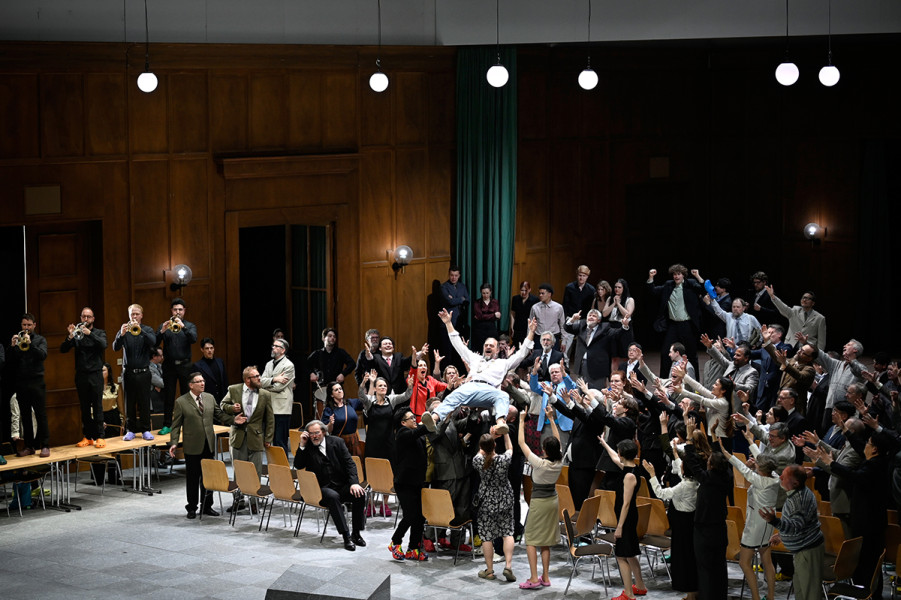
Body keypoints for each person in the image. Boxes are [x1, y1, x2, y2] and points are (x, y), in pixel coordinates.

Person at [421, 309, 536, 436]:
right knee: (454, 395)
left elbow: (521, 354)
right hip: (471, 387)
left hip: (489, 391)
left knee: (502, 396)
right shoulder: (475, 358)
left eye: (491, 346)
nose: (488, 347)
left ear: (497, 350)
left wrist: (531, 332)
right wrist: (448, 323)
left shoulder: (503, 363)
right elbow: (458, 345)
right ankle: (433, 419)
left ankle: (500, 423)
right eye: (486, 345)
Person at [168, 372, 242, 519]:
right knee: (193, 478)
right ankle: (191, 507)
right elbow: (175, 426)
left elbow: (219, 415)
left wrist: (234, 420)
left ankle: (207, 506)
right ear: (191, 385)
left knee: (208, 477)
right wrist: (174, 443)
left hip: (208, 444)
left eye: (203, 381)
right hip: (192, 446)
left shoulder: (209, 398)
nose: (202, 383)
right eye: (198, 381)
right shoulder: (181, 402)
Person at [719, 438, 780, 600]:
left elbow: (742, 468)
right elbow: (761, 458)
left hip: (755, 525)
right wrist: (749, 441)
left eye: (758, 464)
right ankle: (771, 597)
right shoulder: (775, 476)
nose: (755, 462)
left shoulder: (760, 481)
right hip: (768, 523)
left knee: (744, 562)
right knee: (767, 560)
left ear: (762, 468)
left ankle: (755, 597)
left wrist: (726, 453)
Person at [293, 419, 367, 551]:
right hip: (320, 489)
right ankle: (346, 536)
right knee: (333, 496)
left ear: (323, 432)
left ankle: (356, 533)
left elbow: (350, 464)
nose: (314, 436)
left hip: (340, 485)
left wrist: (354, 484)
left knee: (359, 493)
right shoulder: (307, 446)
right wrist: (302, 445)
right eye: (311, 434)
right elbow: (298, 465)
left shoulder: (337, 442)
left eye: (317, 433)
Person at [683, 417, 733, 600]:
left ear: (710, 465)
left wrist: (689, 437)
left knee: (704, 568)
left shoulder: (707, 478)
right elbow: (719, 456)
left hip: (704, 529)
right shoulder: (727, 476)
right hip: (719, 527)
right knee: (719, 566)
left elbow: (691, 461)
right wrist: (712, 434)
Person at [759, 465, 824, 600]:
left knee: (810, 594)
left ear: (795, 483)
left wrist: (774, 521)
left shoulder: (798, 500)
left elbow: (796, 526)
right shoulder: (797, 494)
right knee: (800, 592)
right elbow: (799, 523)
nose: (780, 477)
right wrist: (782, 535)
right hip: (803, 551)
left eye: (785, 476)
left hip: (807, 551)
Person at [517, 407, 563, 589]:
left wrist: (521, 421)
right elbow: (558, 441)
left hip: (539, 503)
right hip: (553, 501)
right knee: (546, 542)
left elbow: (522, 443)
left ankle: (534, 578)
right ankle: (545, 577)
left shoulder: (540, 463)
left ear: (544, 450)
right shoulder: (559, 462)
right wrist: (551, 419)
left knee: (531, 539)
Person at [644, 453, 699, 600]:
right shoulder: (696, 481)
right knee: (691, 556)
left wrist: (652, 475)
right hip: (691, 522)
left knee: (684, 558)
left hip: (682, 525)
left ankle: (691, 594)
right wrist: (675, 453)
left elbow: (660, 493)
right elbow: (681, 471)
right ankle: (693, 592)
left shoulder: (684, 486)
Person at [598, 437, 647, 600]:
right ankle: (640, 586)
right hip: (627, 517)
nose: (617, 454)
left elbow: (626, 504)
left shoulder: (629, 476)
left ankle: (629, 594)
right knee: (630, 554)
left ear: (622, 454)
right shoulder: (631, 468)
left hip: (626, 519)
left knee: (621, 556)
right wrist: (604, 443)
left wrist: (619, 526)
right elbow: (614, 457)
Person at [359, 370, 412, 517]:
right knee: (372, 472)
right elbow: (361, 396)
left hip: (388, 443)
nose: (383, 388)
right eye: (380, 386)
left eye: (385, 386)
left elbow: (406, 396)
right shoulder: (370, 401)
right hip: (373, 443)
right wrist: (364, 383)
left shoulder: (391, 400)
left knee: (388, 472)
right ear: (375, 388)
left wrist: (410, 387)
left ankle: (385, 504)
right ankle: (370, 504)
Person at [60, 306, 107, 449]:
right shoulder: (77, 333)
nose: (86, 319)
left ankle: (100, 436)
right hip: (81, 375)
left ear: (93, 319)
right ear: (81, 318)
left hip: (95, 374)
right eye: (83, 316)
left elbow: (103, 345)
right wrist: (70, 336)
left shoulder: (99, 333)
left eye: (88, 317)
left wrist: (90, 334)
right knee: (84, 407)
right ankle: (88, 436)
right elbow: (63, 349)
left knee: (97, 406)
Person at [472, 431, 516, 582]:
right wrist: (505, 433)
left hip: (486, 501)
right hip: (505, 498)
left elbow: (481, 452)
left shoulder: (477, 461)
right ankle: (508, 566)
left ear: (481, 447)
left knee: (486, 536)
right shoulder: (504, 460)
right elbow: (510, 448)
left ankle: (489, 571)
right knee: (507, 532)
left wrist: (488, 440)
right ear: (495, 445)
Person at [647, 265, 705, 377]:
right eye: (674, 274)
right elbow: (653, 291)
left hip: (687, 325)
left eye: (679, 274)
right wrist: (651, 277)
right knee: (666, 353)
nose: (676, 276)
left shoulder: (690, 284)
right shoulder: (669, 285)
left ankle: (695, 383)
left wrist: (697, 276)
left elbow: (702, 288)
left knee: (691, 354)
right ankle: (664, 382)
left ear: (683, 275)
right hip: (673, 325)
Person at [388, 409, 430, 561]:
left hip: (417, 481)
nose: (414, 419)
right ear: (403, 423)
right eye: (411, 418)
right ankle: (395, 541)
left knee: (419, 517)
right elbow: (419, 431)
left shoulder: (416, 435)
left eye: (414, 417)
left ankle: (413, 548)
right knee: (410, 515)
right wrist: (431, 420)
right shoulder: (402, 434)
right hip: (404, 483)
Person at [112, 303, 157, 442]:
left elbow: (153, 342)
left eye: (137, 314)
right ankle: (130, 430)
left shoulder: (147, 329)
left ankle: (145, 430)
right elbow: (115, 347)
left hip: (144, 372)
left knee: (144, 402)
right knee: (129, 403)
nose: (134, 316)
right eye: (132, 314)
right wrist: (121, 335)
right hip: (129, 373)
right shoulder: (124, 330)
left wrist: (141, 331)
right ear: (129, 315)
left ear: (141, 315)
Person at [220, 366, 273, 480]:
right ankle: (239, 492)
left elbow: (270, 418)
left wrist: (268, 438)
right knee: (240, 473)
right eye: (256, 376)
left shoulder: (265, 394)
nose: (259, 378)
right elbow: (222, 405)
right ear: (247, 379)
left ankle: (254, 493)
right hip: (238, 436)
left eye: (259, 375)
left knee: (255, 473)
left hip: (256, 437)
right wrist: (232, 408)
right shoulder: (234, 389)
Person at [9, 313, 50, 457]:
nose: (26, 328)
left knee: (40, 414)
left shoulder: (40, 340)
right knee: (25, 415)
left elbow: (42, 355)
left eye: (29, 325)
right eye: (24, 325)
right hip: (22, 382)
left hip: (37, 382)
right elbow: (11, 362)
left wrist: (30, 344)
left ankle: (45, 445)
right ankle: (29, 446)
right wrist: (13, 346)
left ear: (34, 325)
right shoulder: (18, 340)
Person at [156, 297, 198, 436]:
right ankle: (167, 424)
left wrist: (183, 327)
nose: (178, 312)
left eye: (180, 309)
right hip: (169, 365)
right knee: (169, 396)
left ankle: (188, 424)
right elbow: (154, 343)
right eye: (175, 310)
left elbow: (193, 339)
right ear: (171, 311)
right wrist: (162, 331)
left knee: (187, 396)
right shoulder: (165, 325)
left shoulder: (190, 326)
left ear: (184, 311)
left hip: (185, 365)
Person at [564, 308, 633, 391]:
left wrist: (624, 326)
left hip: (597, 368)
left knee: (596, 393)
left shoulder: (604, 328)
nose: (591, 317)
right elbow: (567, 328)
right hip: (581, 365)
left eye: (594, 316)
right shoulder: (582, 326)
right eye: (590, 315)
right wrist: (573, 319)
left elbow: (617, 334)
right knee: (580, 391)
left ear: (599, 320)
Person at [307, 327, 356, 416]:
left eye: (334, 336)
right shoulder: (317, 354)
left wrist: (343, 374)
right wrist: (311, 373)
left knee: (338, 413)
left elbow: (352, 364)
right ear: (323, 338)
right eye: (330, 336)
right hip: (322, 388)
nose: (332, 338)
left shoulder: (340, 352)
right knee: (321, 414)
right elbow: (306, 365)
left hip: (336, 388)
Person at [260, 337, 295, 456]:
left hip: (282, 407)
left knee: (280, 440)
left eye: (276, 346)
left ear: (283, 350)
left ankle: (283, 466)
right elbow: (260, 382)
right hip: (269, 405)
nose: (273, 348)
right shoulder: (269, 364)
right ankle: (273, 465)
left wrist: (267, 385)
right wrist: (274, 379)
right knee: (269, 440)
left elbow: (279, 387)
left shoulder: (289, 365)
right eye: (273, 346)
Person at [765, 285, 826, 350]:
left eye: (808, 298)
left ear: (813, 303)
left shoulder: (820, 318)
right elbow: (783, 308)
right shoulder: (795, 310)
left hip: (807, 349)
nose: (804, 300)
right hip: (789, 346)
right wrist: (773, 296)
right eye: (803, 298)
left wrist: (819, 354)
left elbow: (821, 341)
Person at [321, 381, 364, 457]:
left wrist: (366, 383)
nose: (339, 391)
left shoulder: (350, 403)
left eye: (340, 389)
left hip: (353, 440)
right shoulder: (329, 410)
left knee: (356, 462)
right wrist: (330, 423)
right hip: (339, 442)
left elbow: (366, 401)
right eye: (336, 390)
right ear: (331, 395)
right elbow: (327, 430)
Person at [562, 266, 596, 358]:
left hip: (584, 320)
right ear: (577, 276)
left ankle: (581, 363)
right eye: (580, 275)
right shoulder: (569, 287)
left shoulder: (591, 290)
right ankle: (565, 363)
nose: (581, 278)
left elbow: (591, 307)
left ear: (587, 277)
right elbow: (565, 305)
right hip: (571, 318)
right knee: (567, 344)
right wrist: (566, 319)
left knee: (583, 343)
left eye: (584, 276)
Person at [407, 355, 447, 422]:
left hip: (432, 415)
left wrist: (454, 385)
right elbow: (413, 371)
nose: (423, 367)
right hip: (417, 417)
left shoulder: (430, 379)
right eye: (420, 365)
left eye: (425, 365)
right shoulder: (413, 381)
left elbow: (444, 386)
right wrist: (414, 359)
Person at [529, 283, 565, 351]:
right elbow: (530, 326)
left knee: (554, 357)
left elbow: (562, 325)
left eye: (543, 293)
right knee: (538, 357)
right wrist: (529, 342)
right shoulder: (535, 307)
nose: (540, 295)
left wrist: (564, 341)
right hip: (539, 338)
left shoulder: (558, 307)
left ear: (549, 294)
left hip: (553, 338)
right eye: (539, 293)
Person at [194, 337, 227, 403]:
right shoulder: (197, 366)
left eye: (211, 348)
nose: (209, 350)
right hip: (207, 400)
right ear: (202, 349)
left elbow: (225, 381)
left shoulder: (220, 362)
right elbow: (197, 386)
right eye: (207, 348)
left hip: (222, 399)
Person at [471, 283, 501, 351]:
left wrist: (483, 316)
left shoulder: (495, 302)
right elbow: (479, 316)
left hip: (491, 329)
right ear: (481, 293)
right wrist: (493, 315)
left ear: (490, 292)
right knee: (480, 349)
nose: (485, 295)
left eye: (487, 293)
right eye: (483, 293)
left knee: (492, 349)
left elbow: (498, 317)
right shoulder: (477, 302)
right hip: (480, 330)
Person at [509, 281, 539, 347]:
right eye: (522, 290)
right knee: (516, 345)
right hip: (518, 326)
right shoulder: (515, 299)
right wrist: (512, 327)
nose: (524, 292)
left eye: (526, 290)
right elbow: (513, 313)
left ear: (530, 290)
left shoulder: (535, 300)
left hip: (528, 327)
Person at [149, 347, 164, 413]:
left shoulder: (160, 366)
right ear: (154, 357)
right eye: (160, 356)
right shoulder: (148, 368)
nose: (162, 357)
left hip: (161, 396)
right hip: (153, 399)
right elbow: (162, 383)